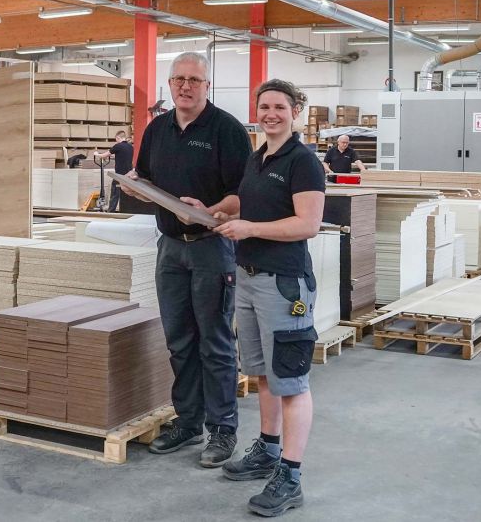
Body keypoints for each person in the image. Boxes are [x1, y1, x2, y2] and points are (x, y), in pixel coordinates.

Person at [121, 52, 252, 468]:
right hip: (171, 249)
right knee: (178, 339)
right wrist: (137, 187)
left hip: (212, 247)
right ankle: (189, 421)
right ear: (169, 84)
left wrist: (210, 210)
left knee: (214, 341)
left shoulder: (227, 130)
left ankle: (223, 429)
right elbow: (146, 179)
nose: (185, 86)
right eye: (178, 79)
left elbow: (243, 194)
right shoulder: (157, 129)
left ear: (206, 85)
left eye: (194, 80)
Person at [212, 79, 325, 517]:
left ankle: (291, 476)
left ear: (295, 111)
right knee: (261, 373)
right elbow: (250, 202)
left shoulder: (303, 162)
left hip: (284, 284)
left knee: (290, 382)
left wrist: (251, 229)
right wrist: (218, 210)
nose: (271, 114)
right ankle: (268, 448)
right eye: (264, 107)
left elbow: (307, 223)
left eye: (279, 107)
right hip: (248, 276)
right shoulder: (257, 157)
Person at [94, 130, 133, 212]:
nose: (116, 141)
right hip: (129, 174)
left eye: (116, 139)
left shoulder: (118, 146)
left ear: (118, 137)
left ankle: (111, 211)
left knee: (115, 193)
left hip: (119, 175)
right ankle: (127, 210)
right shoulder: (130, 147)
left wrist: (96, 154)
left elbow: (103, 155)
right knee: (127, 193)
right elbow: (122, 156)